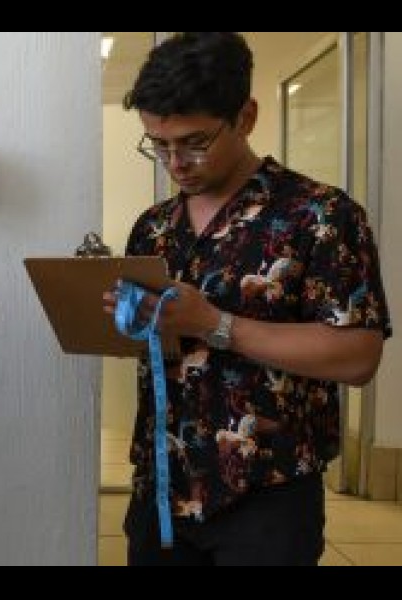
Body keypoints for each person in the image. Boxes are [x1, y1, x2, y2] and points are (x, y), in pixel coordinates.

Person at [104, 32, 392, 566]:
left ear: (246, 117)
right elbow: (155, 347)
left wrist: (215, 323)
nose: (175, 162)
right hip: (161, 487)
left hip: (267, 494)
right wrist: (123, 318)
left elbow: (358, 356)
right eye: (159, 145)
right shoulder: (154, 227)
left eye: (194, 142)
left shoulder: (322, 215)